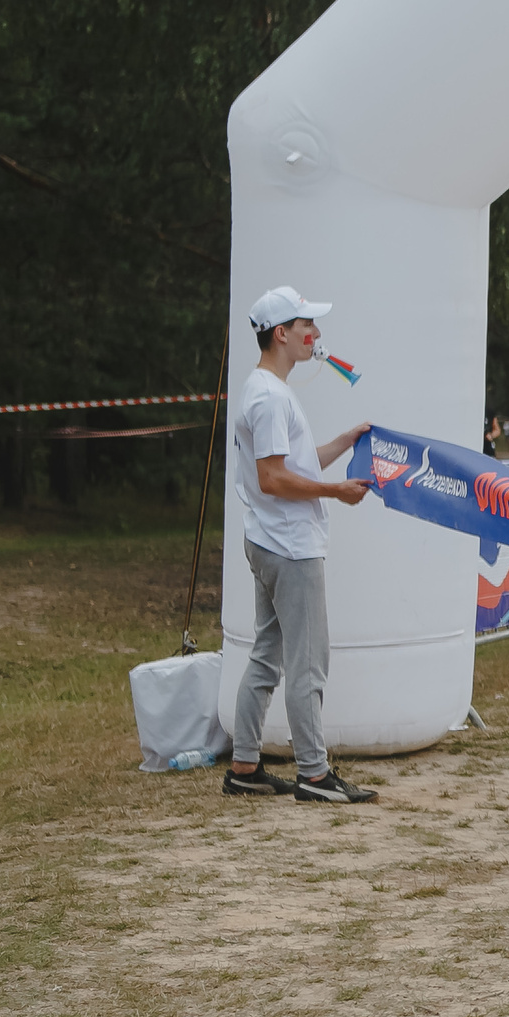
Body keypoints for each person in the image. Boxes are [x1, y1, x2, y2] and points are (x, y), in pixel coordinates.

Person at [225, 286, 376, 805]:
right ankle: (314, 774)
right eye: (306, 324)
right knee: (308, 662)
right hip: (290, 547)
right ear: (281, 334)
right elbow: (272, 478)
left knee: (267, 656)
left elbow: (294, 463)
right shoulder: (268, 396)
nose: (315, 333)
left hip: (269, 541)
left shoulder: (264, 388)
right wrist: (336, 490)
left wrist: (346, 441)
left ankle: (245, 766)